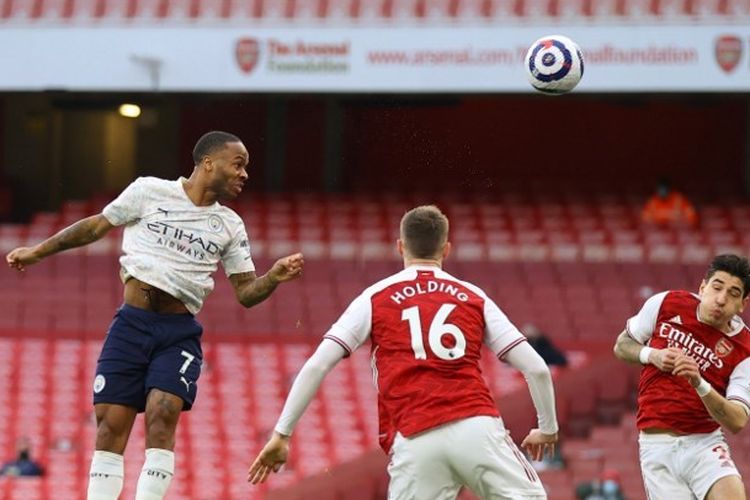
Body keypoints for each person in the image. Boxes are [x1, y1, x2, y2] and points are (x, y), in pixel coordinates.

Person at [5, 131, 304, 500]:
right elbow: (95, 226)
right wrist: (38, 251)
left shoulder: (229, 226)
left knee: (163, 416)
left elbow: (246, 293)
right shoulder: (148, 191)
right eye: (238, 164)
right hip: (131, 324)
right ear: (208, 162)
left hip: (177, 333)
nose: (244, 174)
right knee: (110, 426)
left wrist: (272, 277)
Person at [249, 205, 559, 499]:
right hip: (476, 427)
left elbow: (317, 365)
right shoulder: (472, 296)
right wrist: (547, 429)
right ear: (446, 249)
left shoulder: (374, 298)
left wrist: (282, 434)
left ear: (400, 247)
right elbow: (537, 368)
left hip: (414, 436)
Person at [613, 254, 750, 499]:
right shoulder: (666, 302)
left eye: (733, 293)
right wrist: (651, 355)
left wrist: (699, 383)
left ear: (743, 304)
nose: (721, 299)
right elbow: (622, 346)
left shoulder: (745, 349)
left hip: (704, 443)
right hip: (657, 446)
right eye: (717, 287)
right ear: (702, 287)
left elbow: (737, 421)